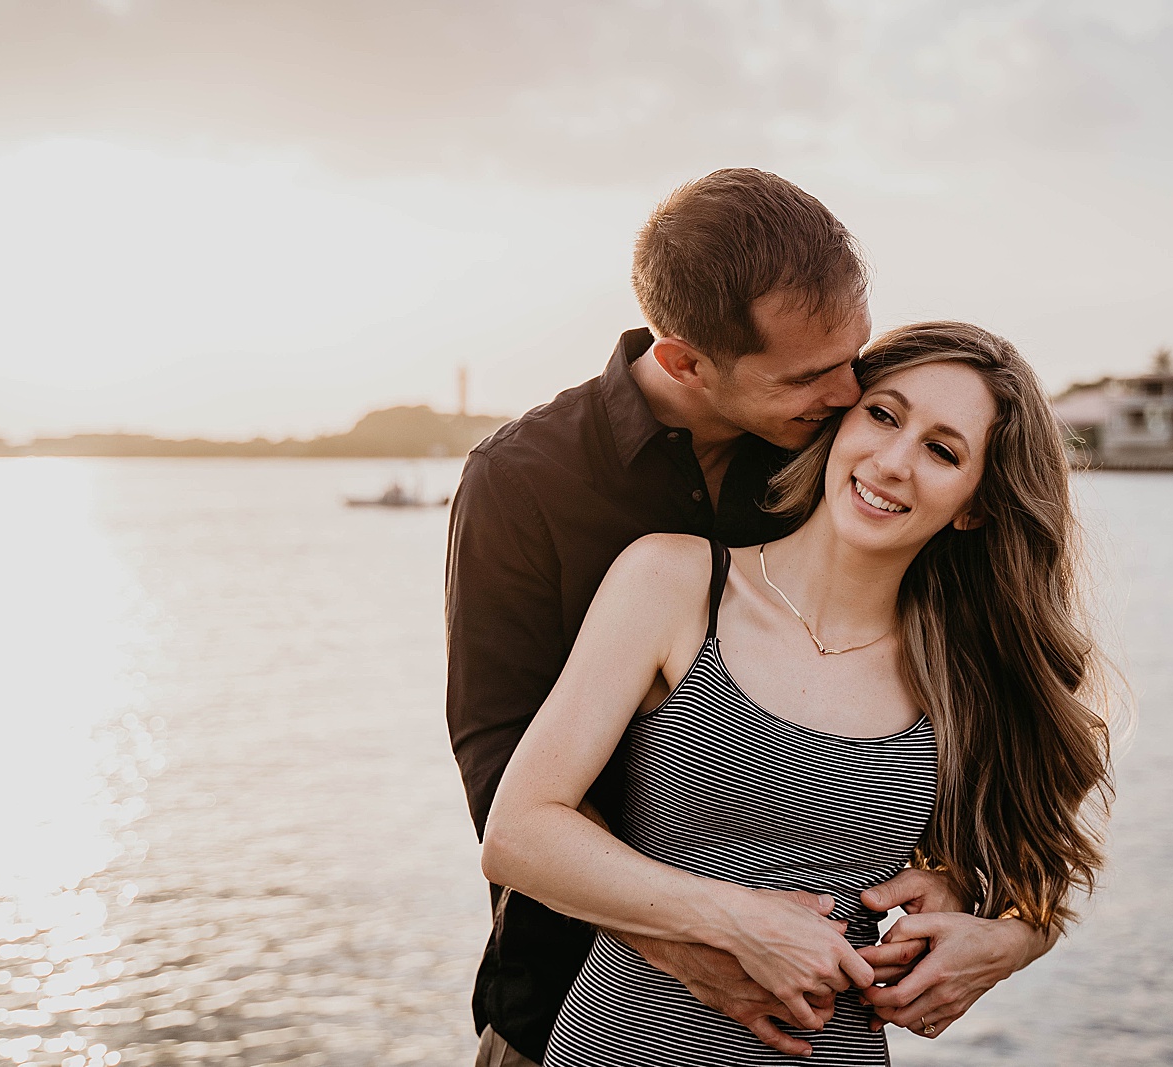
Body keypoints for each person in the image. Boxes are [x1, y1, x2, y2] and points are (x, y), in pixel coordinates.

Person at [447, 171, 1055, 1066]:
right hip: (565, 1010)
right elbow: (507, 789)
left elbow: (992, 814)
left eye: (858, 358)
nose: (852, 393)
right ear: (688, 361)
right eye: (818, 375)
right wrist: (708, 936)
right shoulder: (527, 482)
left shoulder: (840, 437)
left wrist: (1009, 929)